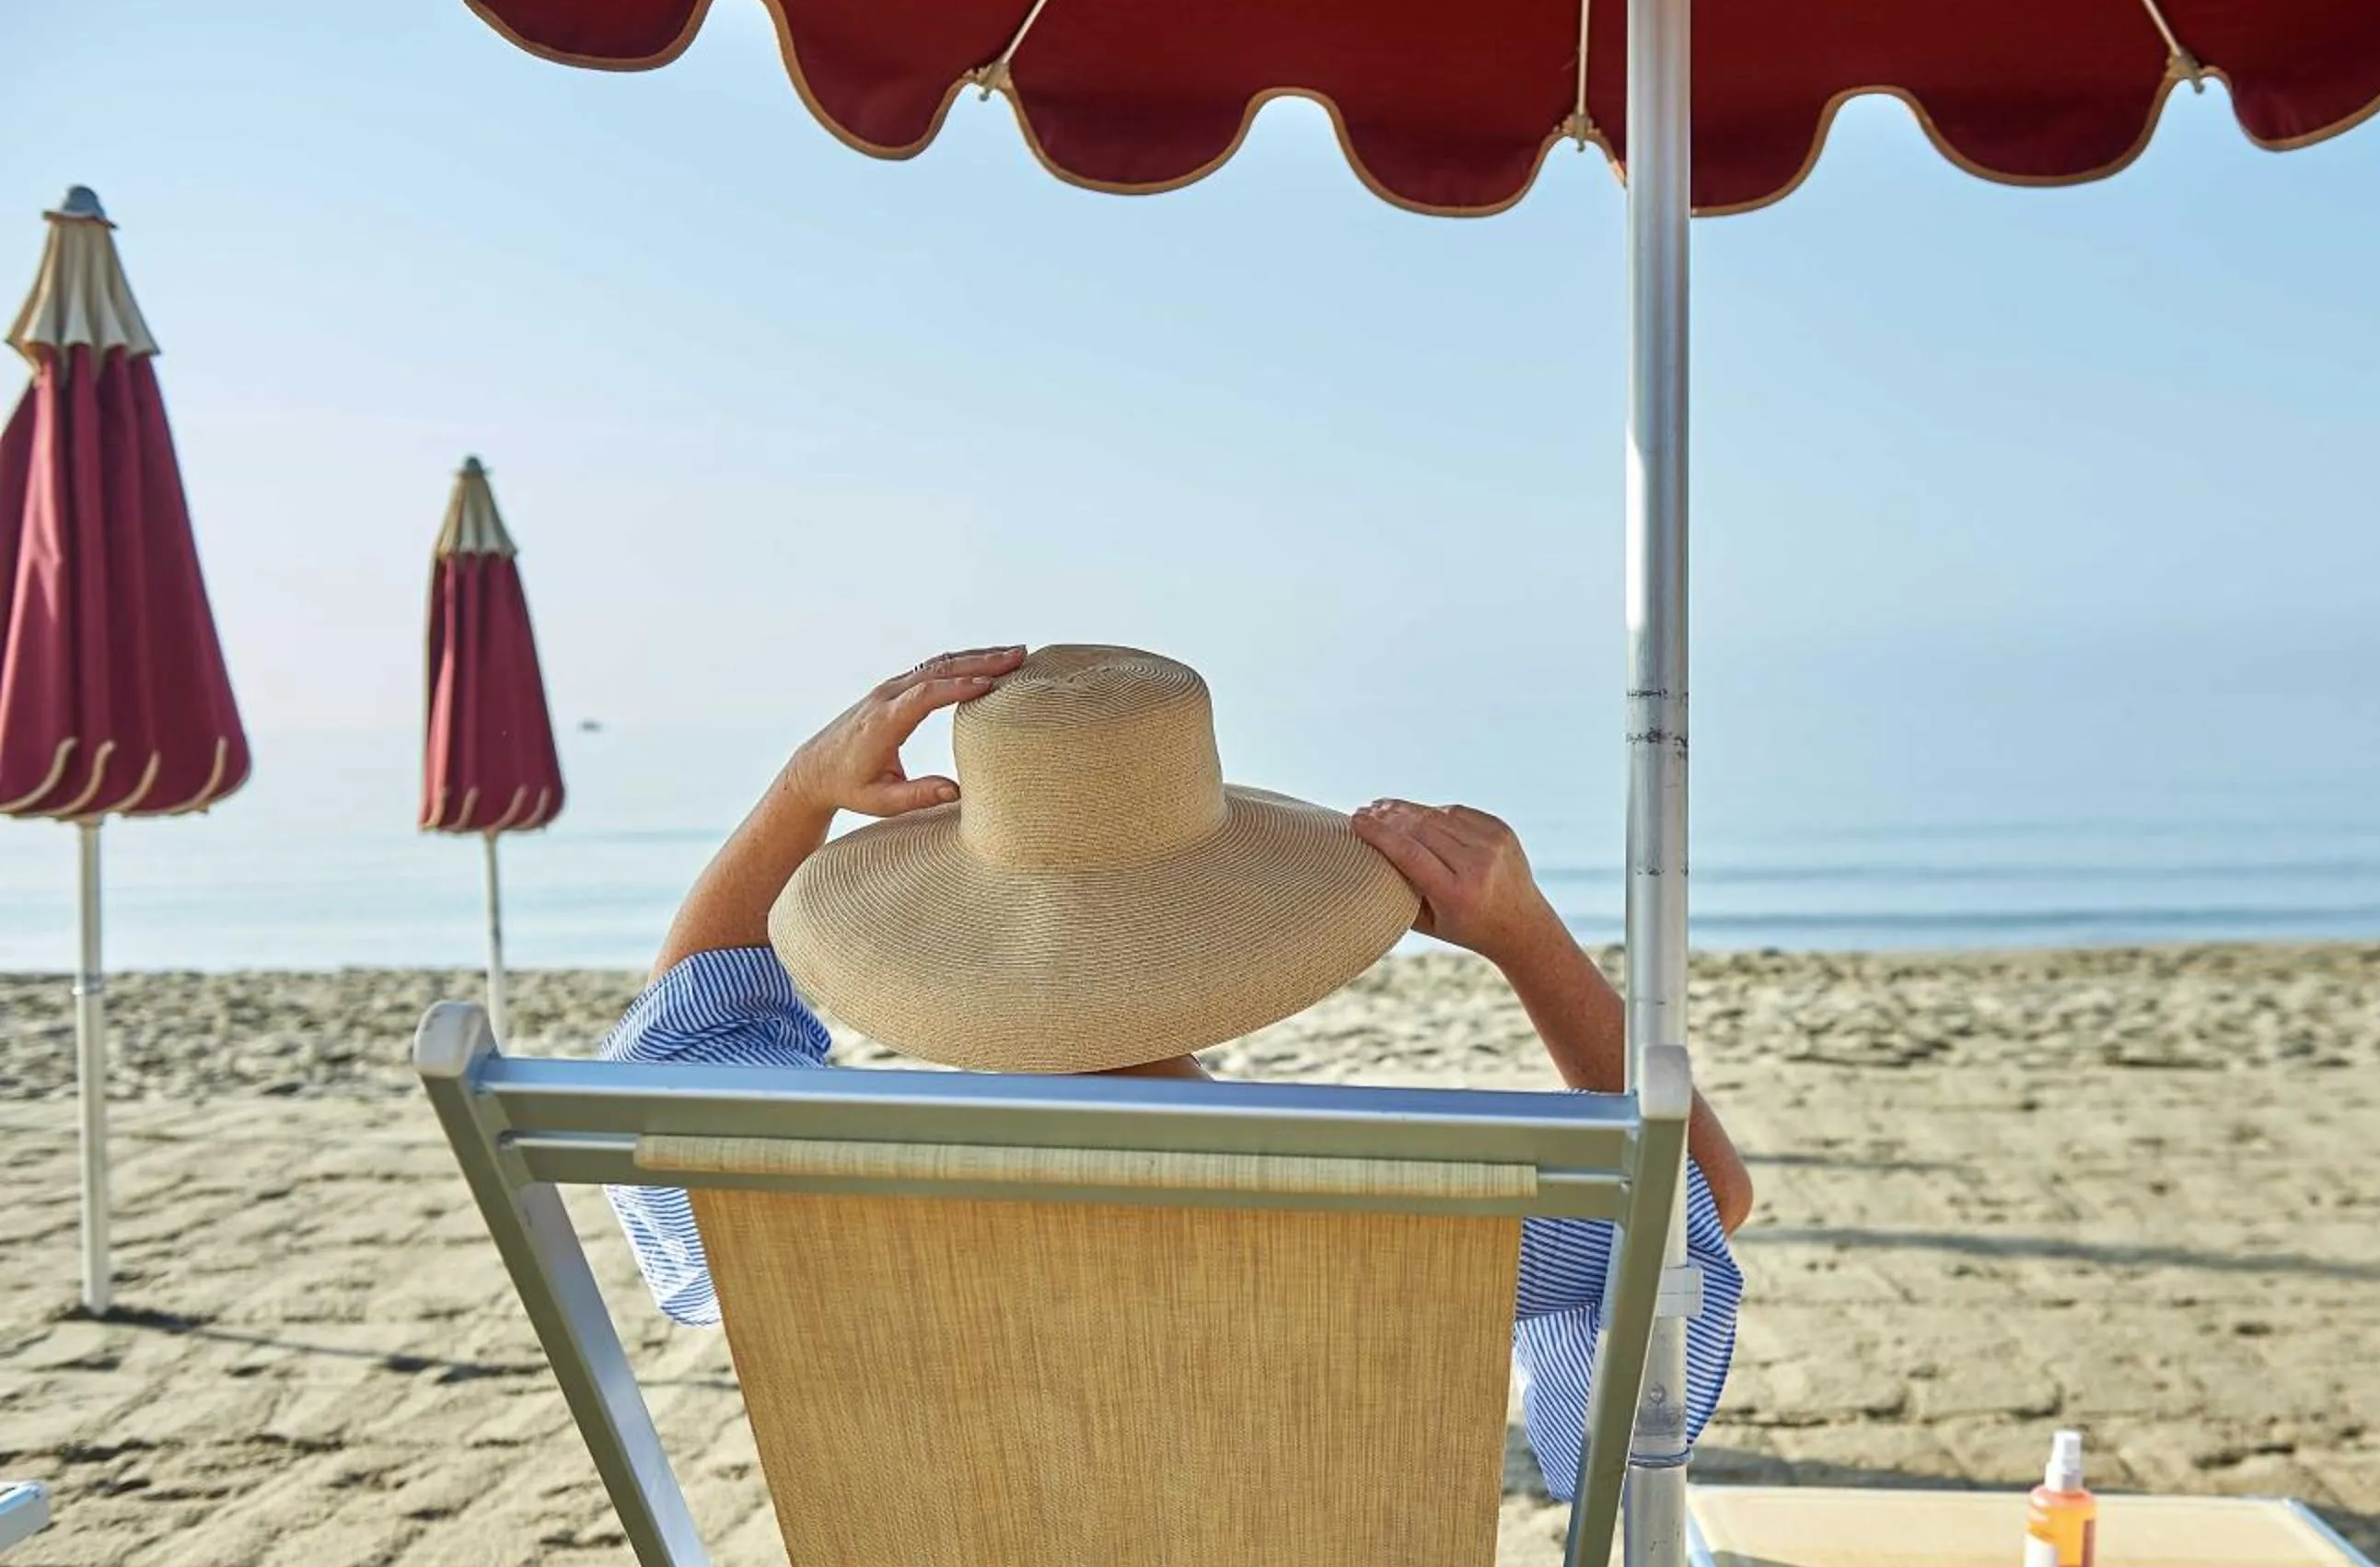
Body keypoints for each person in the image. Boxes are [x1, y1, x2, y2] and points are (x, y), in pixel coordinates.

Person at [599, 643, 1747, 1514]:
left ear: (949, 931)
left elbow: (675, 1049)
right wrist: (1526, 937)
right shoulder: (1398, 1199)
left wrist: (802, 789)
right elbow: (1693, 1202)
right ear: (1238, 913)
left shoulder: (805, 1197)